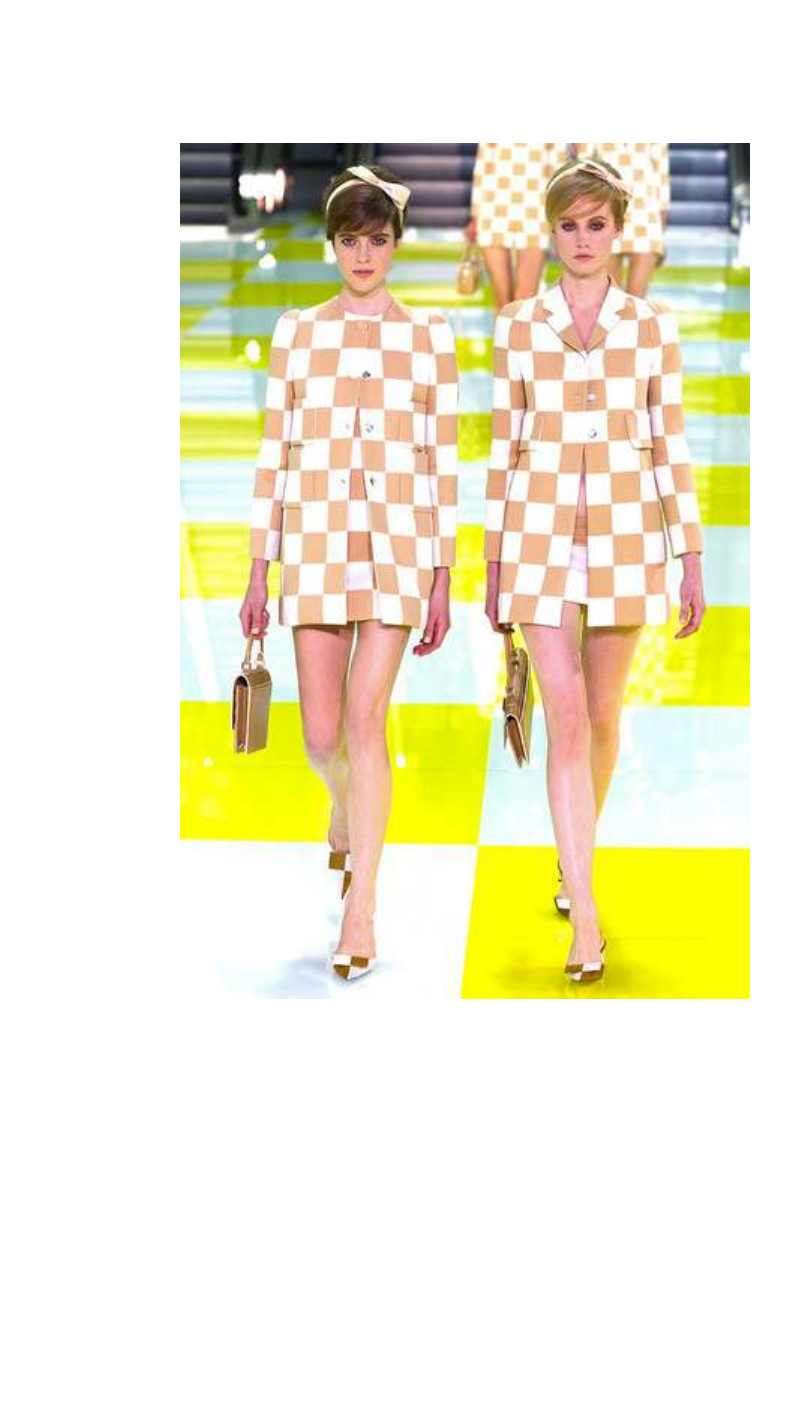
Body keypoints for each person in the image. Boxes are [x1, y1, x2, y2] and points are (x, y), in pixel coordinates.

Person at [483, 156, 706, 986]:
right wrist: (492, 563)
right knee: (567, 721)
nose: (582, 240)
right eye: (569, 226)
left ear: (618, 230)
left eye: (596, 225)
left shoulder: (650, 327)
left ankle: (571, 854)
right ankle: (584, 912)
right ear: (550, 231)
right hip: (537, 542)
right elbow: (503, 448)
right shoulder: (517, 324)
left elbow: (670, 445)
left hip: (626, 539)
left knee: (604, 718)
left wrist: (689, 555)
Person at [239, 164, 458, 982]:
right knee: (320, 734)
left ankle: (362, 904)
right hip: (316, 544)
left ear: (395, 244)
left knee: (367, 720)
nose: (363, 255)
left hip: (399, 548)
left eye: (377, 240)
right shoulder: (297, 332)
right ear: (331, 245)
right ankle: (343, 806)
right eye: (349, 240)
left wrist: (443, 572)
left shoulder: (430, 336)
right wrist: (258, 568)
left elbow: (441, 462)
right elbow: (274, 454)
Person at [467, 143, 567, 310]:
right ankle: (503, 328)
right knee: (502, 299)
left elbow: (558, 169)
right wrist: (476, 215)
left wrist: (558, 215)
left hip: (535, 208)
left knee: (525, 301)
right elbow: (482, 165)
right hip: (492, 207)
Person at [575, 143, 669, 298]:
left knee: (638, 303)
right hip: (608, 212)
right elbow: (583, 170)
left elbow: (662, 177)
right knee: (613, 302)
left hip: (647, 216)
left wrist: (661, 232)